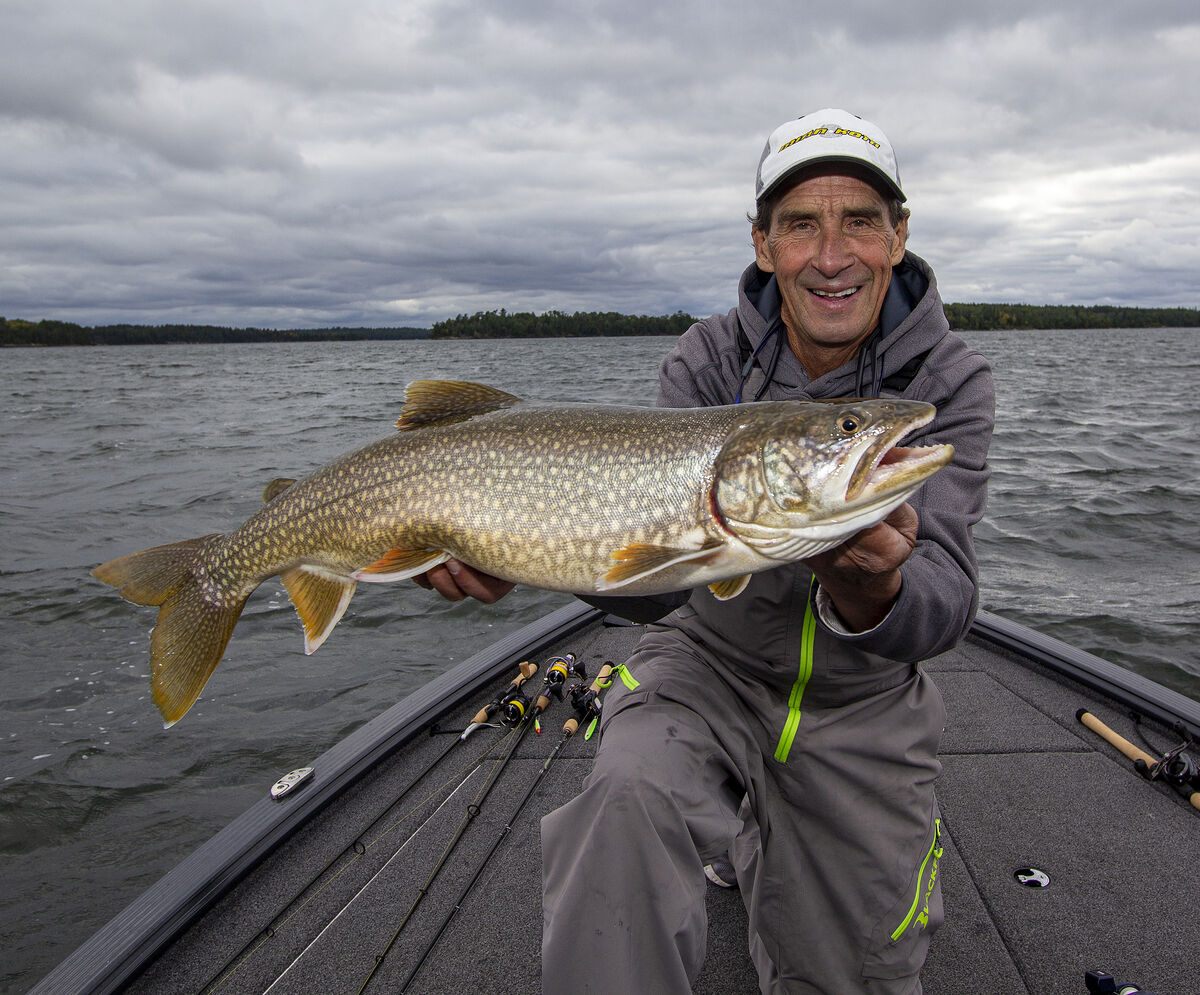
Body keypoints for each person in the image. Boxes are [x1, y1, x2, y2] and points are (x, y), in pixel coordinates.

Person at [417, 109, 994, 994]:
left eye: (860, 222)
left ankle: (766, 835)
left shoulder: (947, 381)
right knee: (621, 805)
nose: (831, 255)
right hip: (704, 663)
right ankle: (728, 819)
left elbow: (945, 600)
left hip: (861, 700)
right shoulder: (706, 358)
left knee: (860, 975)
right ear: (764, 245)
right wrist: (527, 552)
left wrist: (873, 590)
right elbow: (649, 592)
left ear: (898, 236)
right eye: (802, 224)